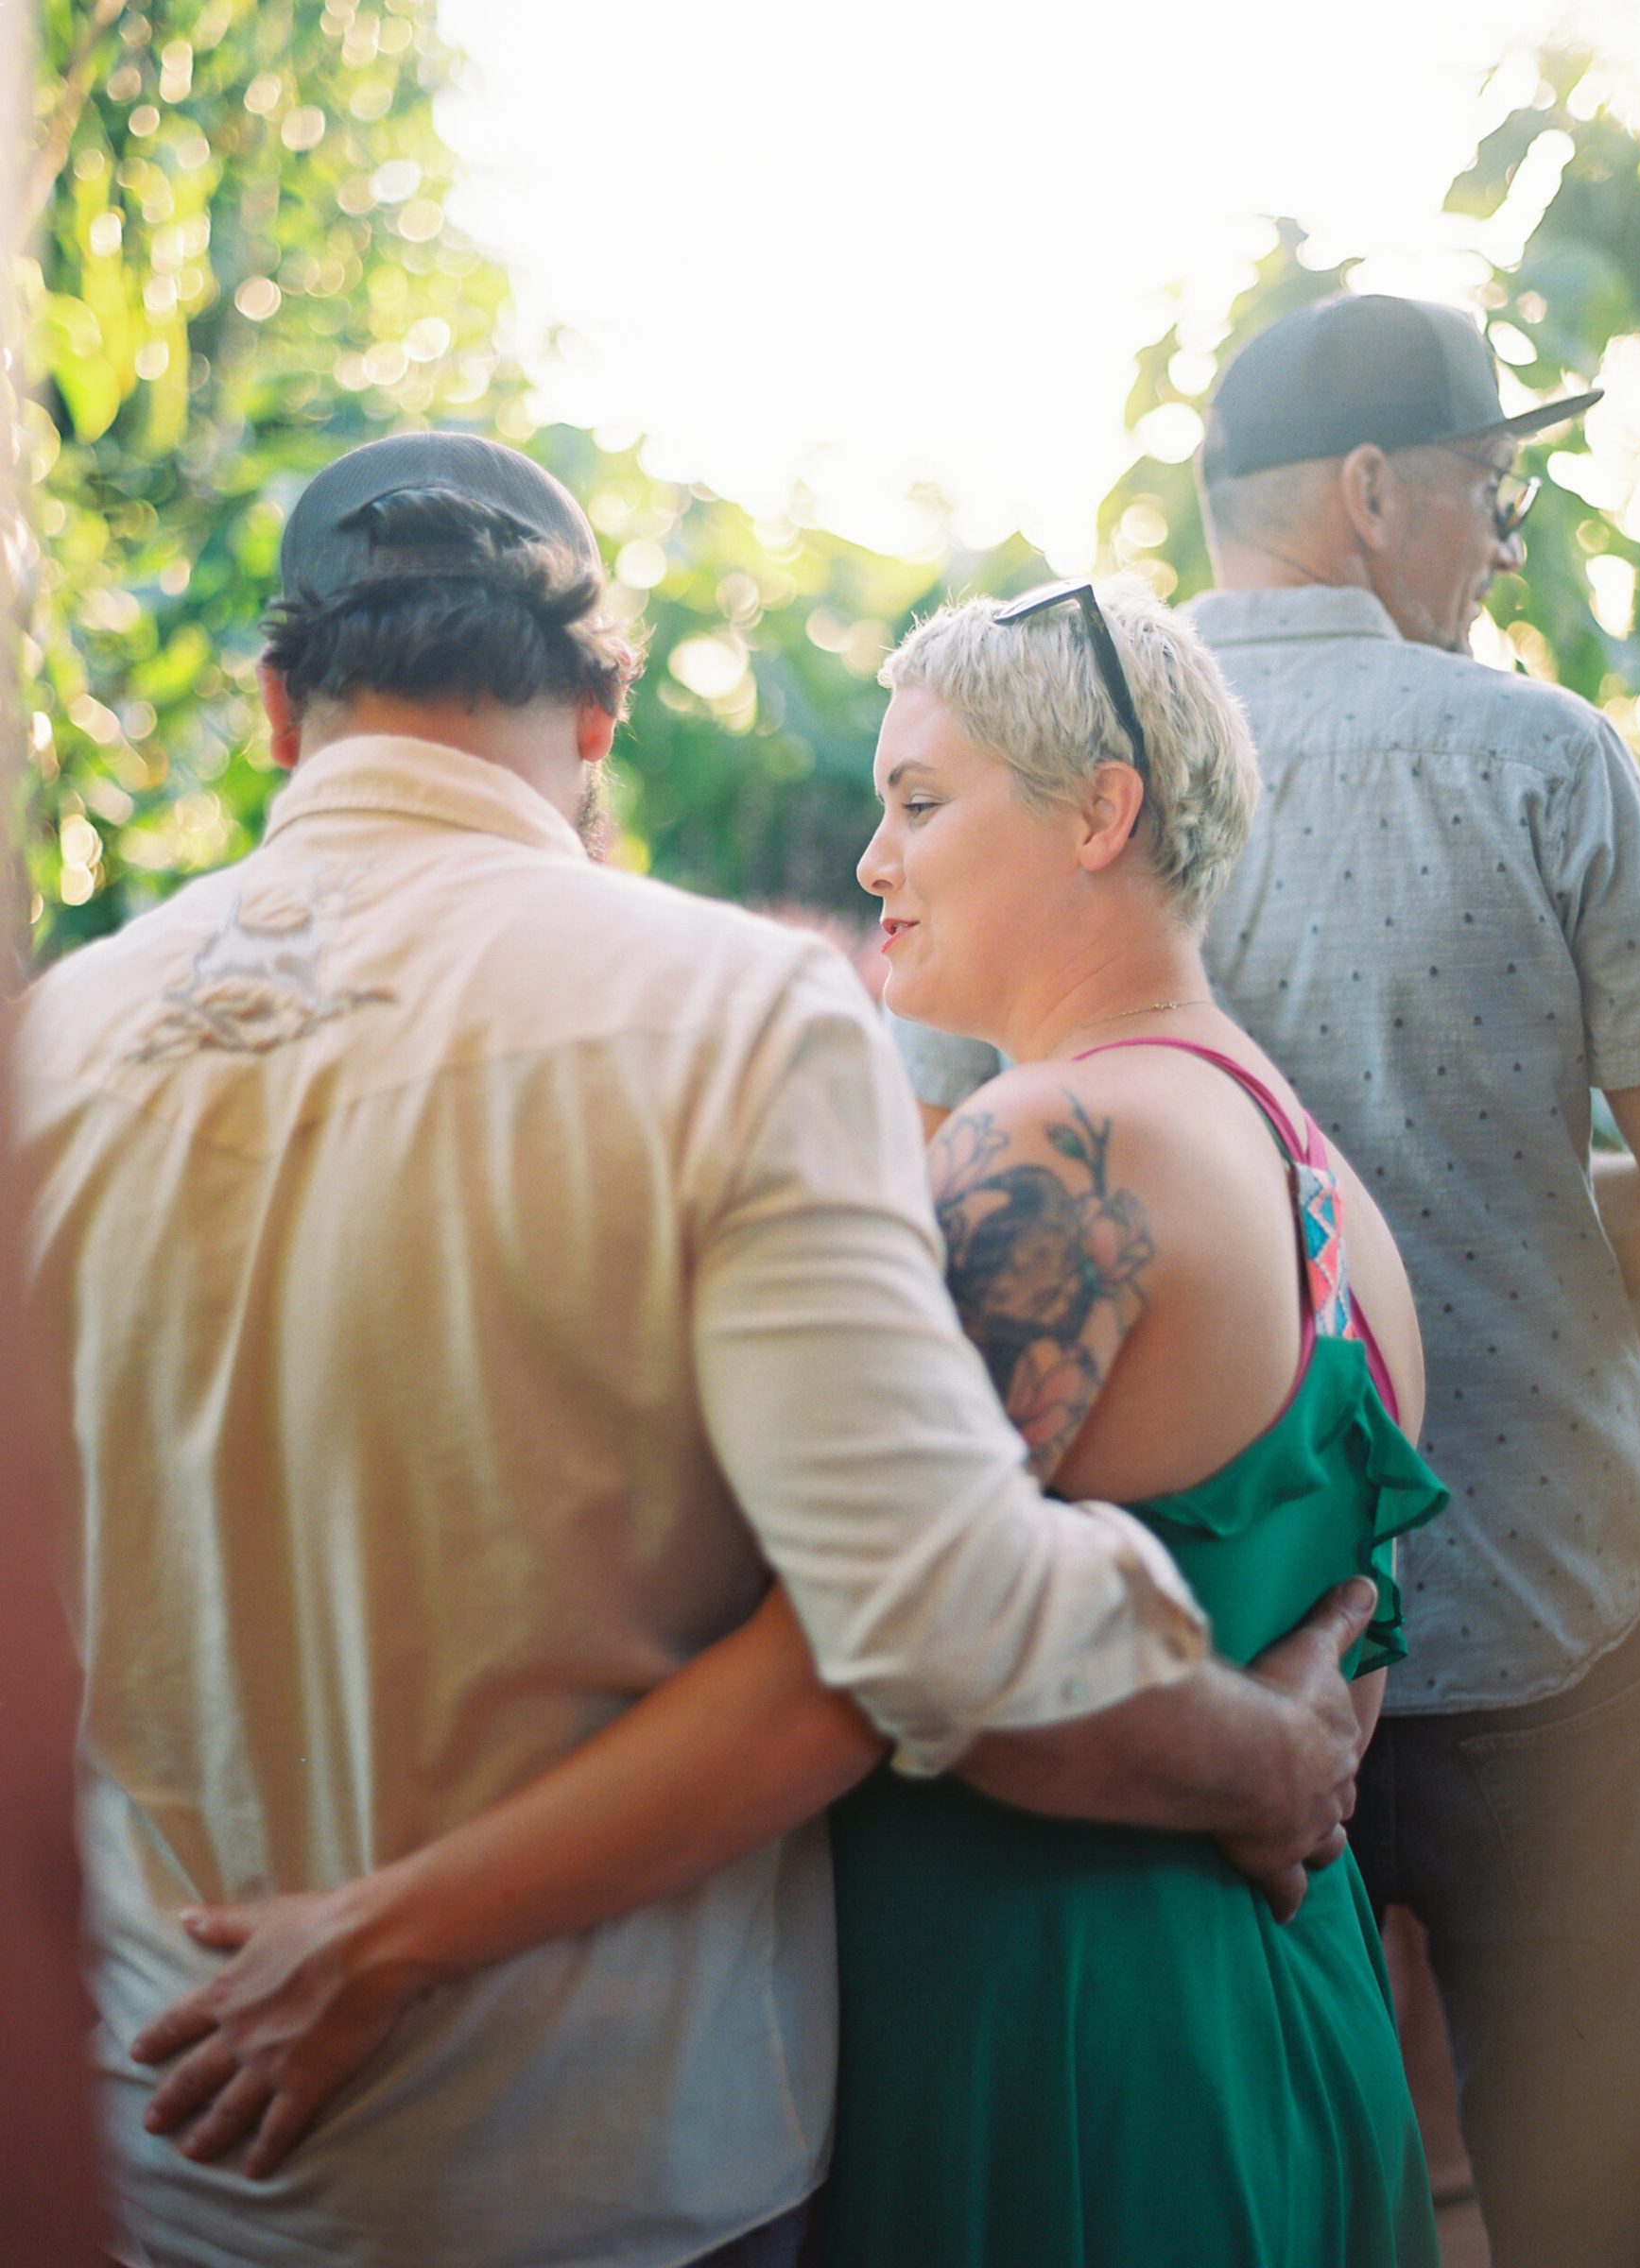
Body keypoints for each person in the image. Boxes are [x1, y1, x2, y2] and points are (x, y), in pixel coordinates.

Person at [16, 435, 1377, 2268]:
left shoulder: (53, 1047)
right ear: (598, 716)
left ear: (275, 707)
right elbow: (933, 1609)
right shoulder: (734, 1019)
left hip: (176, 2141)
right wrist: (1271, 1759)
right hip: (611, 2156)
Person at [896, 294, 1640, 2268]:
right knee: (1592, 2196)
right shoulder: (1545, 756)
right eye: (1491, 497)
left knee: (1265, 2141)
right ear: (1368, 494)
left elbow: (930, 1169)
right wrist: (1530, 1189)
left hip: (1185, 1680)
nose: (1504, 546)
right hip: (1547, 1621)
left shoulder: (1046, 766)